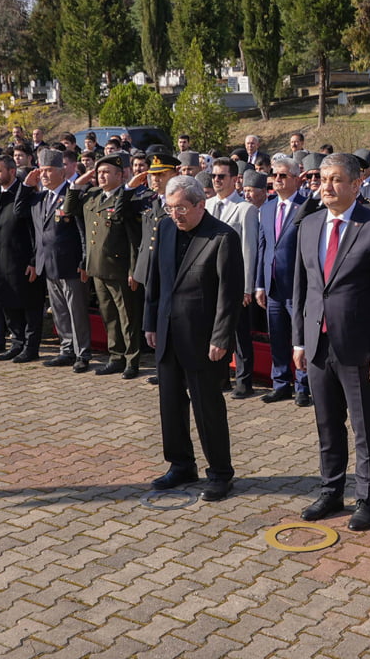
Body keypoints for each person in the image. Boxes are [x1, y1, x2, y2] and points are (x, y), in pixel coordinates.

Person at [292, 154, 370, 530]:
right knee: (326, 423)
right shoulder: (309, 225)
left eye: (337, 180)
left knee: (364, 427)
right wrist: (299, 342)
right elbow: (302, 288)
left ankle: (366, 498)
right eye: (323, 179)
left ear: (356, 185)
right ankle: (330, 490)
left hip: (358, 348)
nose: (327, 186)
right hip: (318, 343)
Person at [143, 176, 243, 501]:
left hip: (203, 341)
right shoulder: (167, 229)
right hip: (168, 334)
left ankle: (220, 473)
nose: (176, 214)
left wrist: (221, 338)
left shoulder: (222, 237)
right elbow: (156, 281)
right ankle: (181, 464)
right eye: (171, 208)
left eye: (182, 208)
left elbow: (229, 295)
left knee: (208, 408)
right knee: (170, 406)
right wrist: (150, 322)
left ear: (201, 204)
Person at [66, 153, 144, 378]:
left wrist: (133, 269)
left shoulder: (128, 198)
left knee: (127, 317)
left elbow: (132, 239)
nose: (101, 176)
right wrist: (78, 183)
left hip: (119, 268)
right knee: (109, 315)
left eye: (107, 172)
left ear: (121, 175)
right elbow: (69, 209)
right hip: (97, 267)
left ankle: (132, 360)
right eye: (99, 172)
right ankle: (116, 356)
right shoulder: (92, 196)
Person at [27, 148, 93, 372]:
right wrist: (27, 185)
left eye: (48, 171)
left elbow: (82, 232)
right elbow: (21, 211)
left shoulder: (72, 195)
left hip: (70, 264)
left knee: (77, 312)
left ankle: (82, 353)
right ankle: (66, 349)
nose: (43, 175)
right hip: (48, 264)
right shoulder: (41, 198)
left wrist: (84, 261)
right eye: (41, 171)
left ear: (62, 172)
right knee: (59, 311)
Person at [256, 157, 310, 406]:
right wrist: (259, 284)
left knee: (300, 338)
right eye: (274, 175)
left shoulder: (307, 207)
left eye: (282, 175)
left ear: (296, 179)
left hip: (298, 286)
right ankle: (280, 383)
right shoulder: (267, 208)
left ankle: (302, 386)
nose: (277, 179)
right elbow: (263, 247)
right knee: (277, 336)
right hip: (273, 285)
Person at [205, 158, 260, 398]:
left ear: (235, 179)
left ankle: (244, 381)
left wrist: (247, 287)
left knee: (240, 334)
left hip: (235, 282)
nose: (216, 180)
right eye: (214, 176)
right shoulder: (206, 205)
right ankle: (220, 377)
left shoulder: (245, 208)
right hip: (211, 281)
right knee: (217, 331)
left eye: (221, 176)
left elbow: (249, 248)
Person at [0, 154, 44, 363]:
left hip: (23, 260)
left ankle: (31, 347)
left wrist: (35, 260)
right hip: (1, 259)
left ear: (11, 171)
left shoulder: (26, 194)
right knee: (7, 303)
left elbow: (36, 231)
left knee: (30, 306)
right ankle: (16, 343)